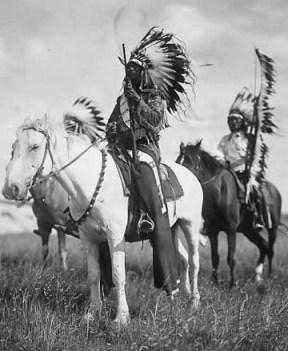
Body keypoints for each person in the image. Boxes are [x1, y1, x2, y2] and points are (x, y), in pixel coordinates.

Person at [106, 26, 194, 296]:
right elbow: (111, 125)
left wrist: (138, 103)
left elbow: (155, 123)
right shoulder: (122, 99)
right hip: (120, 151)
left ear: (142, 73)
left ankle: (151, 222)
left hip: (145, 151)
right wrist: (113, 137)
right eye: (127, 69)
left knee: (146, 180)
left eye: (134, 70)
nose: (128, 74)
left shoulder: (153, 96)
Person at [217, 87, 265, 229]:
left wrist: (251, 170)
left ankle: (258, 217)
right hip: (227, 172)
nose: (232, 122)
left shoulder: (250, 139)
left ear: (242, 122)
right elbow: (218, 153)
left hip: (245, 173)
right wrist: (222, 162)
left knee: (254, 190)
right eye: (230, 120)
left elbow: (256, 157)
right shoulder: (225, 139)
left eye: (235, 120)